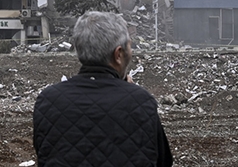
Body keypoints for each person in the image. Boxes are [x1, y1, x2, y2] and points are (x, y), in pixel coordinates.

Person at [33, 11, 173, 166]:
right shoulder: (142, 101)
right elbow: (163, 161)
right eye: (129, 46)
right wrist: (132, 95)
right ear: (118, 54)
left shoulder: (48, 100)